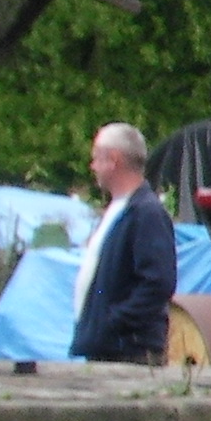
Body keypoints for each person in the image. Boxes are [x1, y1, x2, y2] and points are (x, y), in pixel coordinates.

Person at [69, 123, 177, 364]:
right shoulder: (119, 210)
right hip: (109, 349)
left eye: (96, 158)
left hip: (129, 353)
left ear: (113, 160)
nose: (92, 166)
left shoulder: (146, 213)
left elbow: (158, 282)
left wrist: (113, 322)